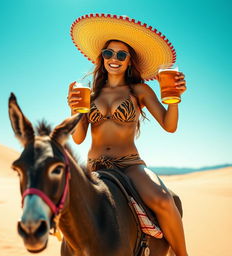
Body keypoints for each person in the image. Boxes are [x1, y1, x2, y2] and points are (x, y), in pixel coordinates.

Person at [67, 14, 188, 256]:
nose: (114, 58)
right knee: (64, 211)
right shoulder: (89, 93)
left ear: (129, 60)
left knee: (164, 200)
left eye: (121, 54)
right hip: (94, 166)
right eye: (109, 53)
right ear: (102, 57)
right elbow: (79, 138)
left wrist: (174, 100)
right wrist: (73, 110)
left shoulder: (139, 90)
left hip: (129, 165)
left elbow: (169, 125)